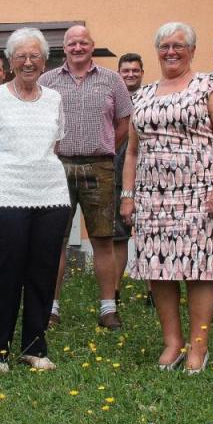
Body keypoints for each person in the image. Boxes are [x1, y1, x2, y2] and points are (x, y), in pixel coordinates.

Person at [120, 22, 213, 374]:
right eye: (165, 46)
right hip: (152, 197)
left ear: (192, 50)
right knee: (159, 267)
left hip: (202, 194)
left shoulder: (210, 86)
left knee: (201, 268)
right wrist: (128, 195)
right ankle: (172, 343)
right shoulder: (142, 95)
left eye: (178, 45)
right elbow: (132, 151)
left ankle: (198, 347)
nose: (171, 52)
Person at [0, 27, 70, 373]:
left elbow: (55, 145)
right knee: (7, 273)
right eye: (21, 56)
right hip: (6, 197)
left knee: (43, 272)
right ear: (11, 61)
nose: (28, 62)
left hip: (51, 195)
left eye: (35, 56)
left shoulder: (55, 98)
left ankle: (34, 347)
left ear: (44, 61)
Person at [41, 25, 133, 330]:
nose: (77, 47)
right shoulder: (47, 81)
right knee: (55, 241)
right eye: (72, 43)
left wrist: (105, 146)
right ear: (64, 48)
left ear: (92, 46)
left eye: (83, 42)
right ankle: (50, 308)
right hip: (57, 167)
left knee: (103, 239)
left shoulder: (112, 79)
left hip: (100, 166)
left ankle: (108, 308)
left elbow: (124, 122)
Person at [112, 53, 145, 303]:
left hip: (147, 176)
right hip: (115, 174)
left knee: (149, 235)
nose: (130, 74)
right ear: (119, 73)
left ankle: (154, 292)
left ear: (142, 73)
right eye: (126, 71)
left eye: (135, 70)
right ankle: (114, 292)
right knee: (118, 236)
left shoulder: (151, 97)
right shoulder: (111, 99)